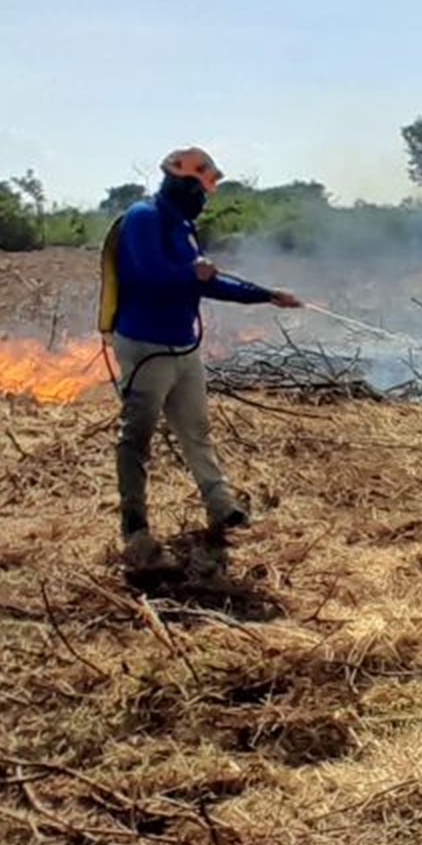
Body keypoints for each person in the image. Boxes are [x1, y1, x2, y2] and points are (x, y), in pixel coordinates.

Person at [98, 147, 301, 566]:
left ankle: (221, 506)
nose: (204, 199)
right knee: (137, 438)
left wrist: (266, 296)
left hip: (183, 347)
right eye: (200, 189)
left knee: (197, 429)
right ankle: (135, 529)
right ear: (180, 182)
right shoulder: (143, 218)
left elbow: (209, 282)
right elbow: (155, 278)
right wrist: (192, 273)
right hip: (146, 347)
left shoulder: (184, 227)